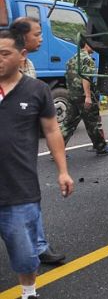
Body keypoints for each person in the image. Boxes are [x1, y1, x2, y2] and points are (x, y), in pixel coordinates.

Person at [0, 27, 74, 299]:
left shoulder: (37, 90)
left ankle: (29, 292)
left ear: (21, 56)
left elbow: (53, 131)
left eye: (4, 54)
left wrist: (63, 171)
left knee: (24, 252)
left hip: (19, 190)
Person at [11, 18, 67, 265]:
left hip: (22, 152)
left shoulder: (29, 65)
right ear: (23, 38)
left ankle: (38, 246)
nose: (42, 38)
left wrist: (62, 170)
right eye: (37, 34)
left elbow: (51, 127)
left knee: (27, 201)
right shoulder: (7, 68)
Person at [61, 41, 108, 156]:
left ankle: (57, 150)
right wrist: (88, 97)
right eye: (92, 44)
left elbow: (67, 77)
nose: (95, 47)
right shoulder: (88, 59)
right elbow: (86, 78)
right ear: (85, 44)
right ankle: (101, 148)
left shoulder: (72, 59)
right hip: (84, 96)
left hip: (72, 96)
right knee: (92, 124)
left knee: (68, 124)